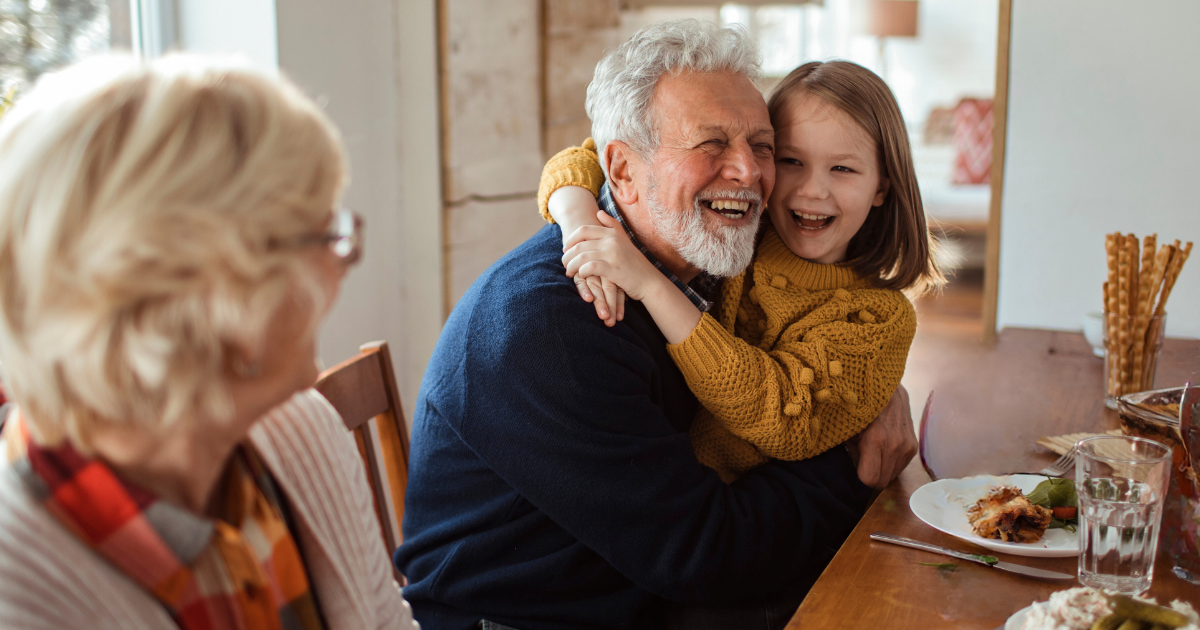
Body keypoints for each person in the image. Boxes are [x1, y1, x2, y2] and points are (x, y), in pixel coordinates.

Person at [396, 21, 916, 630]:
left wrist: (859, 393)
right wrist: (852, 459)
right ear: (622, 171)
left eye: (762, 144)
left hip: (641, 584)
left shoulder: (712, 257)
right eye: (711, 144)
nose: (749, 172)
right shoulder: (551, 328)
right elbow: (712, 555)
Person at [0, 55, 418, 629]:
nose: (343, 262)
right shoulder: (20, 597)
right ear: (205, 297)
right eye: (325, 236)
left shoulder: (306, 432)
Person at [541, 60, 944, 482]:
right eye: (790, 160)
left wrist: (649, 283)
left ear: (882, 186)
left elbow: (783, 417)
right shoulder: (740, 231)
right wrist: (579, 223)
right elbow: (589, 156)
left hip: (754, 518)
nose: (812, 190)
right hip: (654, 483)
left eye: (842, 168)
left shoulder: (882, 318)